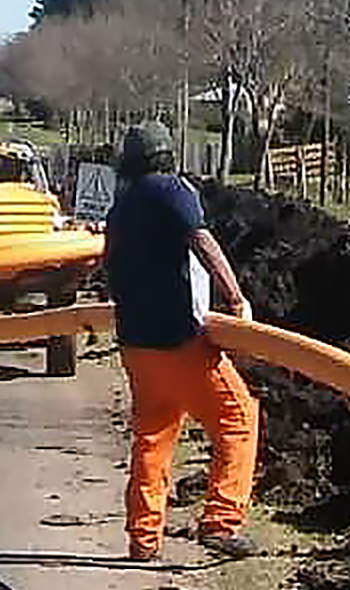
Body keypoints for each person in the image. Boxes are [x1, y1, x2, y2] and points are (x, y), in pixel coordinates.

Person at [103, 121, 260, 561]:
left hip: (135, 343)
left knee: (153, 435)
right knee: (238, 419)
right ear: (167, 155)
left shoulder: (121, 207)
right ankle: (221, 523)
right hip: (178, 340)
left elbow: (108, 267)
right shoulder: (173, 191)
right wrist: (235, 298)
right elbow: (204, 243)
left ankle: (143, 539)